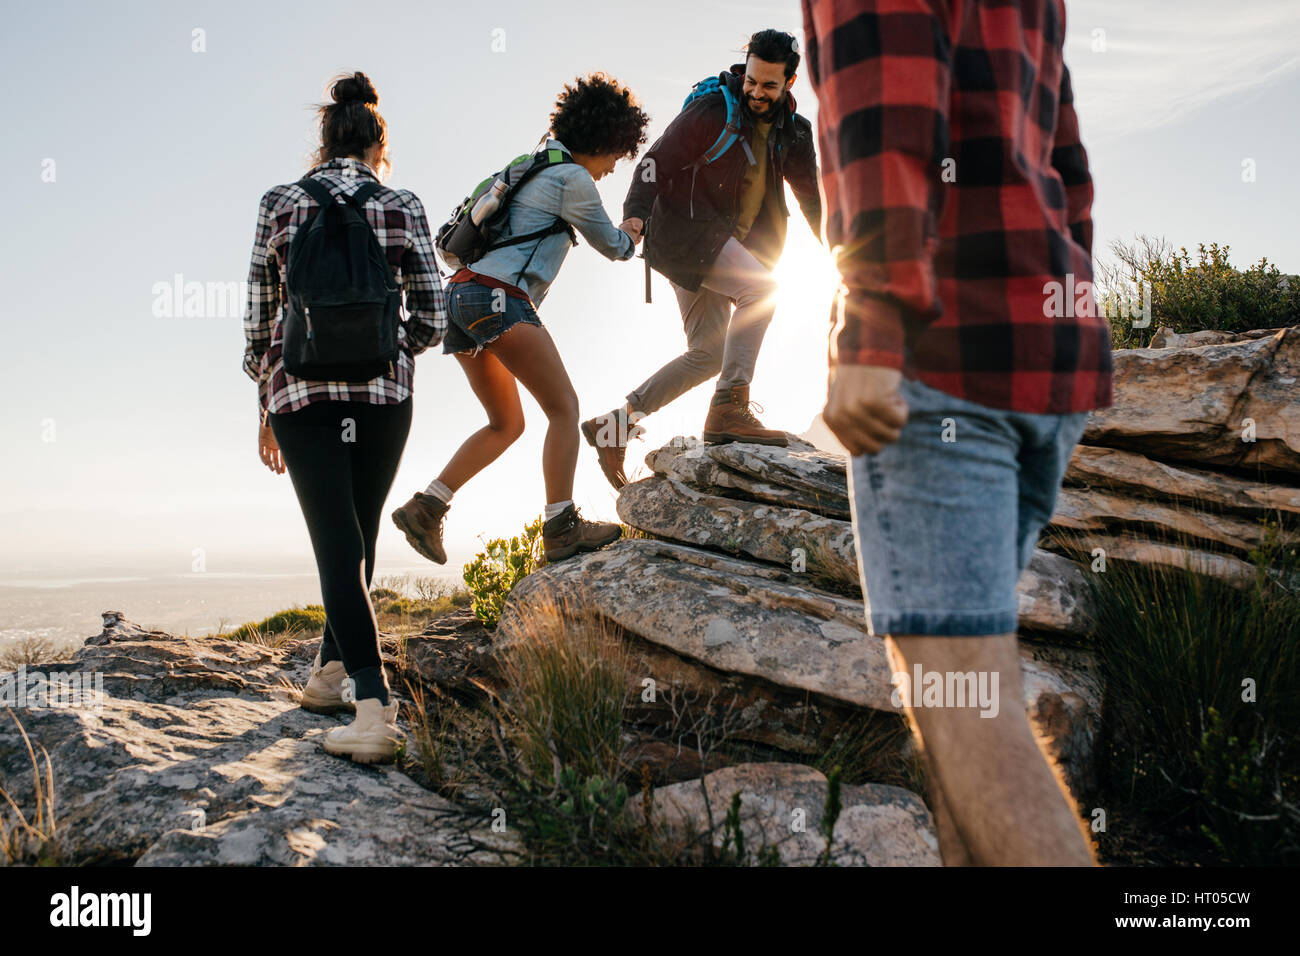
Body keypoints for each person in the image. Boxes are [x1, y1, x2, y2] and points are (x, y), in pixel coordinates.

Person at [802, 0, 1113, 865]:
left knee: (965, 704)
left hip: (947, 360)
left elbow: (888, 119)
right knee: (968, 693)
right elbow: (1069, 166)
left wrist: (869, 325)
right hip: (1042, 356)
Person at [244, 72, 446, 764]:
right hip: (384, 399)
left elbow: (259, 318)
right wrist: (395, 351)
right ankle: (332, 677)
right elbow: (433, 312)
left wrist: (266, 398)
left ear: (324, 138)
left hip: (302, 396)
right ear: (377, 145)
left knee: (337, 543)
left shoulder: (279, 202)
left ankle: (374, 708)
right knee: (355, 536)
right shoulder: (402, 203)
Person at [390, 73, 649, 566]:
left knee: (505, 423)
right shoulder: (572, 178)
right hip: (498, 299)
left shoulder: (526, 164)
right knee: (565, 409)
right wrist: (633, 230)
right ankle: (561, 526)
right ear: (604, 139)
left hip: (461, 298)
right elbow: (614, 247)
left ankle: (427, 506)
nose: (615, 167)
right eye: (617, 154)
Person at [581, 29, 823, 490]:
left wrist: (837, 252)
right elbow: (653, 163)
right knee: (764, 290)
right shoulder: (714, 110)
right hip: (683, 235)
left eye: (769, 85)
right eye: (752, 80)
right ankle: (731, 405)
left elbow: (810, 198)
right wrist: (634, 218)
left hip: (719, 246)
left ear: (789, 83)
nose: (756, 91)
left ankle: (611, 427)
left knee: (709, 353)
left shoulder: (794, 132)